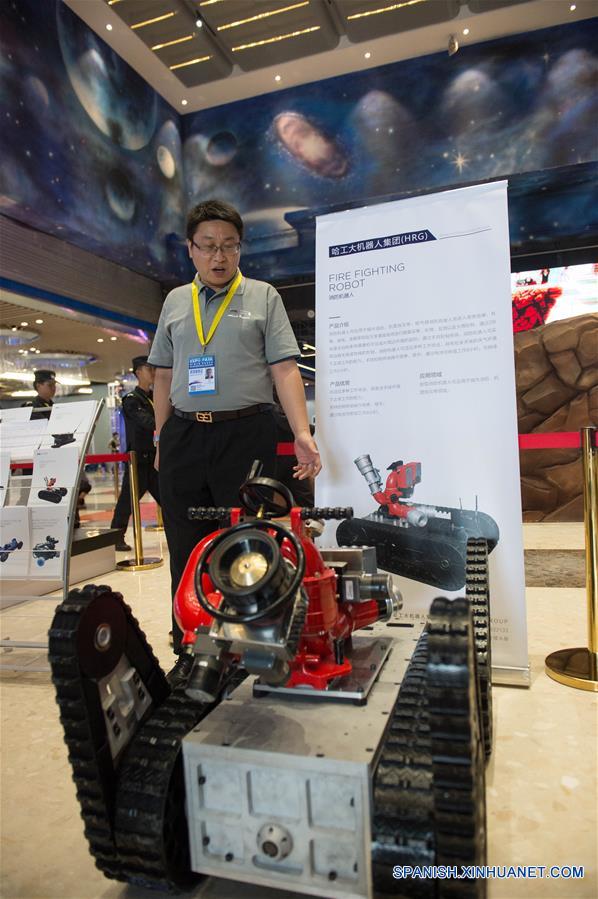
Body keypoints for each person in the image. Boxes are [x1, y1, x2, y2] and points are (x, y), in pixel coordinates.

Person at [148, 198, 321, 662]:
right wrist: (161, 436)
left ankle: (246, 652)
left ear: (241, 248)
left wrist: (301, 433)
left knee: (244, 546)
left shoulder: (263, 296)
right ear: (191, 249)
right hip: (184, 436)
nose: (219, 256)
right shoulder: (175, 301)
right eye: (208, 246)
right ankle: (189, 651)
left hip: (246, 434)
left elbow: (285, 369)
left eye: (229, 245)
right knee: (184, 548)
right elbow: (163, 375)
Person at [110, 356, 160, 551]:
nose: (153, 372)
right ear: (138, 372)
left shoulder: (155, 397)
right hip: (137, 460)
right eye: (149, 368)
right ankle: (116, 537)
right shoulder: (131, 400)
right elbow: (147, 422)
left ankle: (181, 533)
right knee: (127, 502)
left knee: (169, 498)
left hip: (154, 459)